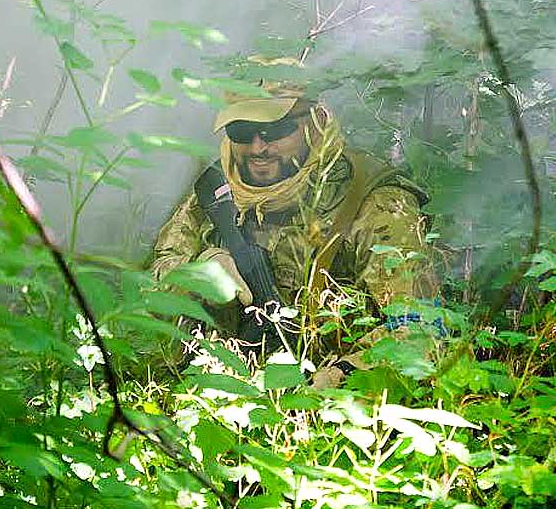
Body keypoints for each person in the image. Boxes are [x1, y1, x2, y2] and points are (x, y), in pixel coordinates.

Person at [150, 82, 437, 384]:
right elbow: (149, 298)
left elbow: (420, 330)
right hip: (219, 388)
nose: (258, 148)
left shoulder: (373, 202)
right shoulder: (214, 195)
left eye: (276, 131)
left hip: (332, 396)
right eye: (242, 133)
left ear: (313, 125)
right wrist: (197, 274)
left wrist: (345, 373)